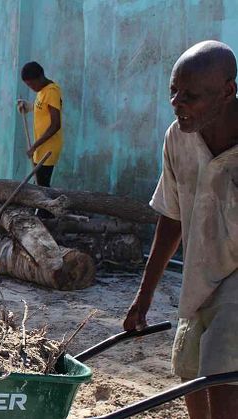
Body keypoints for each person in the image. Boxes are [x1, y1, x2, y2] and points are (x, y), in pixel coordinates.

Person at [123, 40, 238, 419]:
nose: (177, 103)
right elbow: (171, 218)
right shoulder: (178, 137)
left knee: (220, 375)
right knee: (189, 373)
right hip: (198, 278)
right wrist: (144, 296)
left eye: (190, 96)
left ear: (227, 91)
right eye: (173, 91)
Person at [17, 61, 63, 189]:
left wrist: (34, 146)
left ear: (40, 77)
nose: (31, 87)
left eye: (31, 84)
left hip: (48, 148)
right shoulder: (42, 91)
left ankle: (45, 209)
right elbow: (42, 108)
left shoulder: (52, 91)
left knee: (42, 187)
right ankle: (42, 209)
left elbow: (55, 125)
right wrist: (27, 106)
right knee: (39, 184)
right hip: (40, 147)